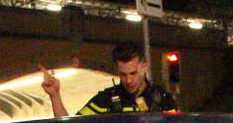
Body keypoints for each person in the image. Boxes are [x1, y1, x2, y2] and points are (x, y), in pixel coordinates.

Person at [40, 41, 177, 117]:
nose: (128, 80)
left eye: (133, 73)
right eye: (123, 74)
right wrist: (55, 95)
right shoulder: (105, 99)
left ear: (144, 67)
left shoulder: (163, 99)